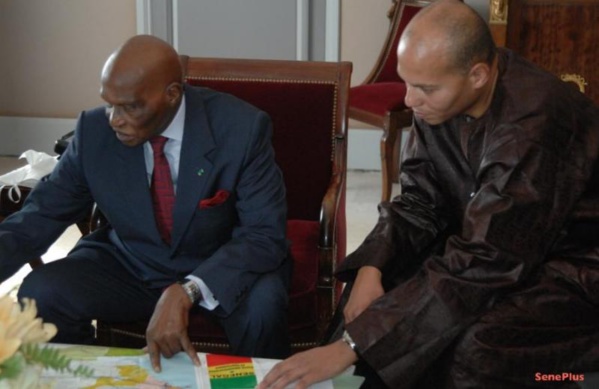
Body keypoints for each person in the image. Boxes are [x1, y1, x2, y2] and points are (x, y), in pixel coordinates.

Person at [259, 0, 599, 388]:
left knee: (475, 346)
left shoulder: (533, 124)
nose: (409, 100)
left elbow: (486, 259)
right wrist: (374, 267)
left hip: (574, 263)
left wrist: (355, 344)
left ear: (478, 75)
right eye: (406, 81)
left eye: (424, 88)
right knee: (372, 292)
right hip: (493, 244)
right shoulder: (442, 98)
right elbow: (420, 202)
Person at [0, 35, 291, 372]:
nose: (114, 119)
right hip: (132, 262)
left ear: (172, 95)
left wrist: (188, 290)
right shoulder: (94, 131)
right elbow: (43, 213)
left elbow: (263, 235)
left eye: (130, 106)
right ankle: (92, 377)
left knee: (264, 307)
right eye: (109, 104)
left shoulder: (241, 129)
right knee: (42, 292)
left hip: (219, 264)